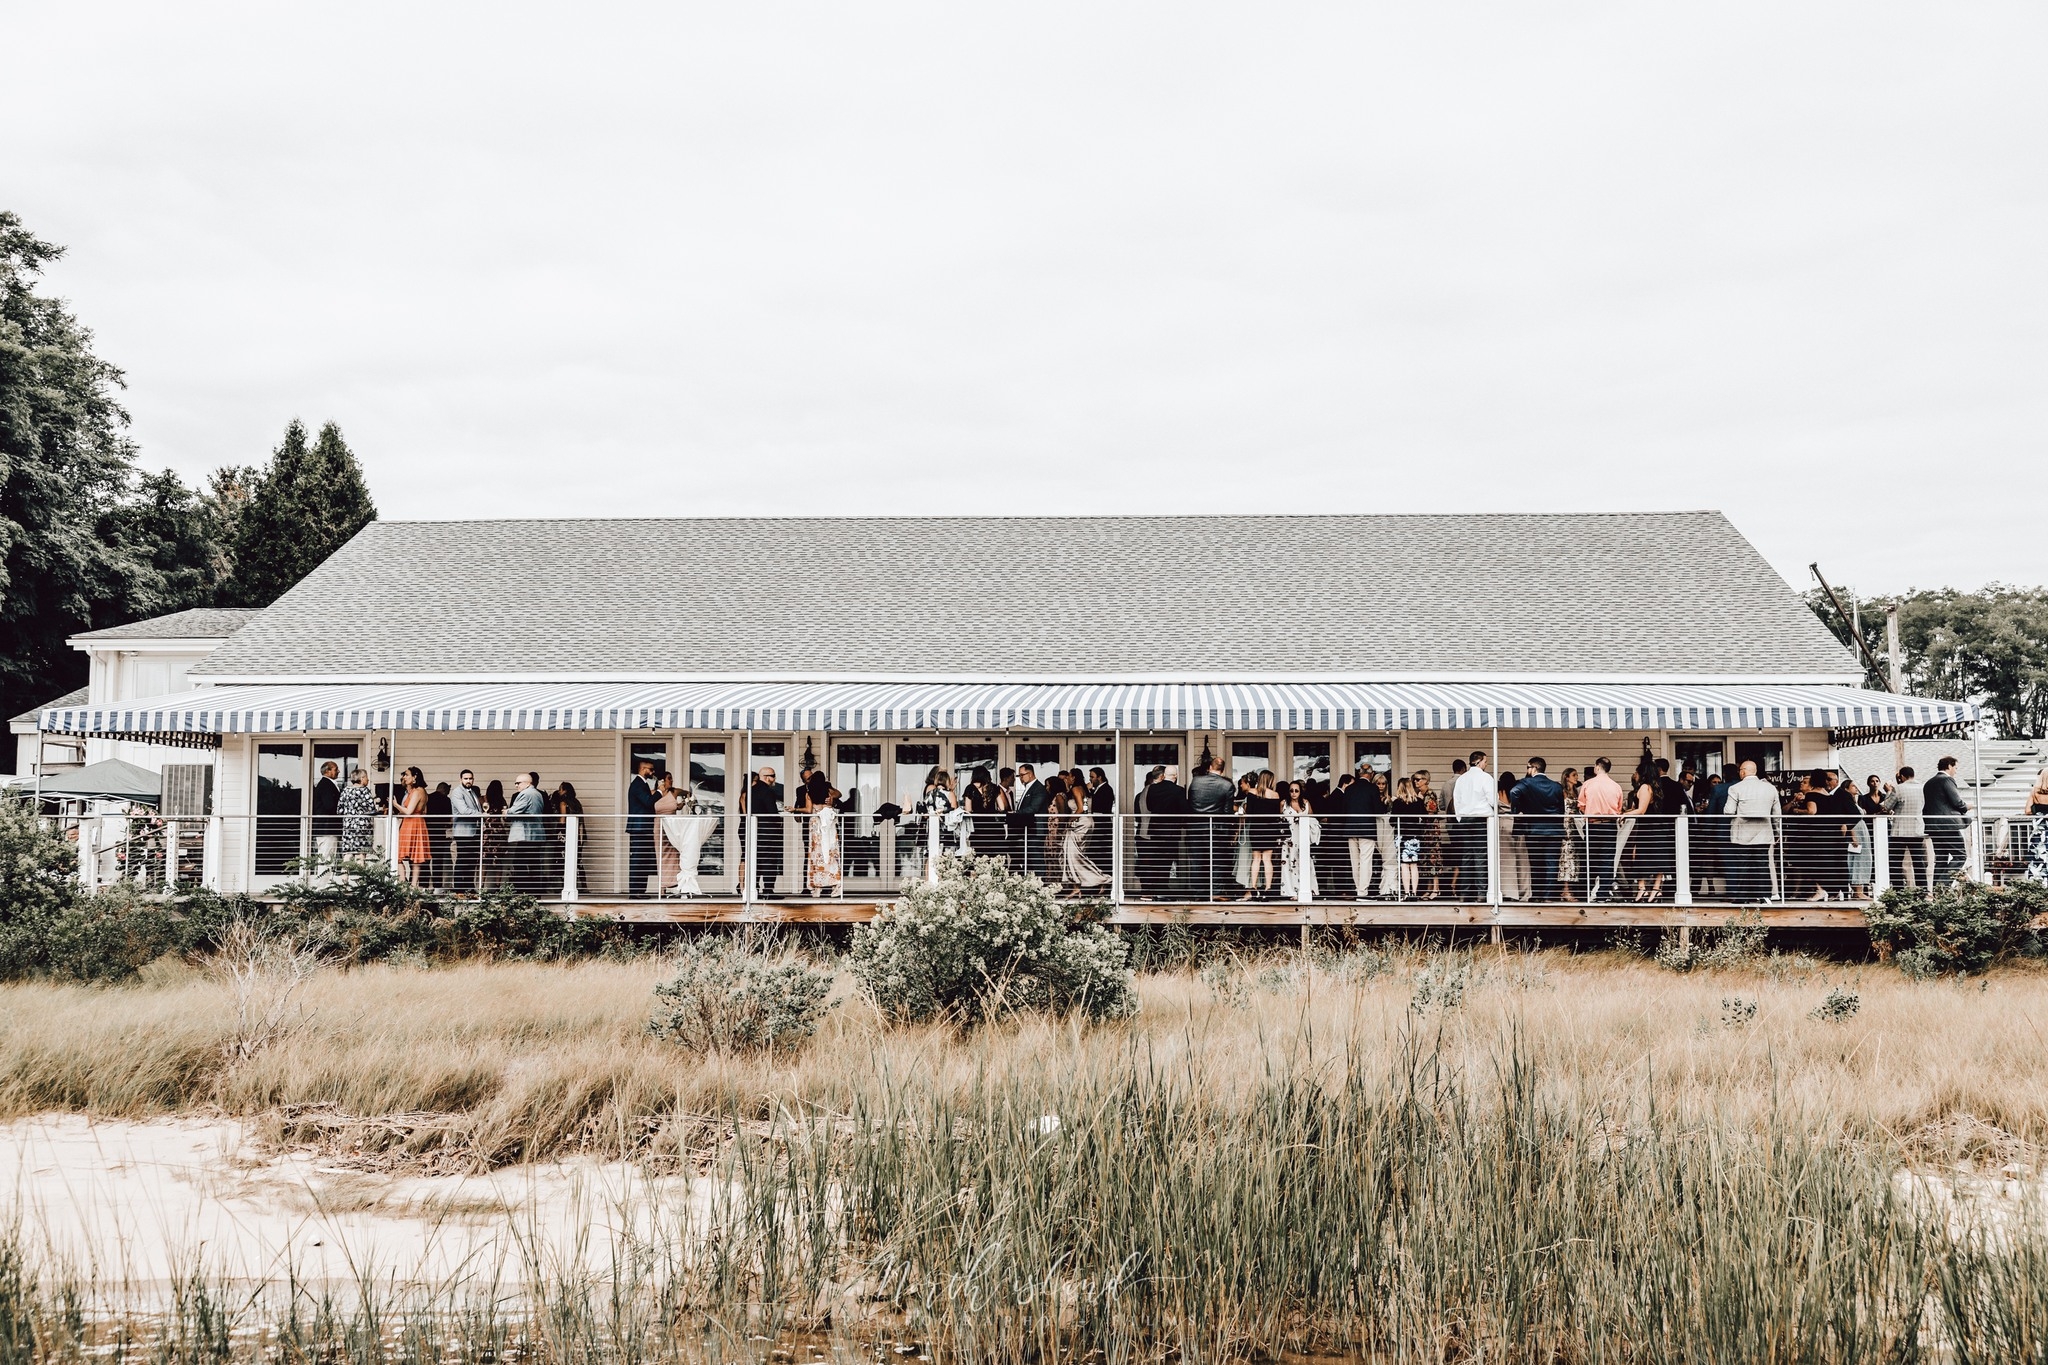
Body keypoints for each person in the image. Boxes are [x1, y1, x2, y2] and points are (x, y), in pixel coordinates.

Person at [1723, 760, 1780, 902]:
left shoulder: (1736, 788)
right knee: (1762, 865)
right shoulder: (1770, 788)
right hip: (1764, 833)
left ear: (1742, 771)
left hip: (1742, 833)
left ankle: (1743, 897)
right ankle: (1764, 895)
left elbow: (1728, 811)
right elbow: (1777, 814)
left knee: (1743, 865)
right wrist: (1777, 832)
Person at [1510, 758, 1566, 901]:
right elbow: (1561, 809)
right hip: (1554, 831)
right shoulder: (1557, 787)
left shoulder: (1526, 783)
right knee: (1551, 864)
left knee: (1535, 863)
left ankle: (1536, 895)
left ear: (1534, 768)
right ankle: (1548, 896)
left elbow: (1514, 792)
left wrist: (1518, 810)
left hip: (1534, 829)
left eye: (1528, 767)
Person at [1188, 755, 1235, 901]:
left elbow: (1191, 804)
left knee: (1197, 861)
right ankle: (1216, 891)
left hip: (1195, 827)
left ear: (1209, 767)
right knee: (1216, 861)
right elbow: (1227, 812)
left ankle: (1198, 893)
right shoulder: (1227, 786)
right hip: (1216, 828)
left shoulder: (1195, 782)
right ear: (1222, 770)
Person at [1578, 758, 1626, 902]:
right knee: (1607, 861)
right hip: (1610, 826)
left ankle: (1585, 893)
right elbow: (1618, 808)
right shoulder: (1616, 786)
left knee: (1589, 859)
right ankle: (1602, 894)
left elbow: (1581, 805)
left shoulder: (1588, 784)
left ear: (1597, 767)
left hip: (1593, 824)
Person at [1451, 752, 1496, 899]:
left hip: (1465, 819)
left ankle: (1464, 892)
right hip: (1480, 819)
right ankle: (1481, 893)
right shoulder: (1486, 778)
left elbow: (1456, 800)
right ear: (1479, 761)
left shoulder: (1462, 779)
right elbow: (1492, 800)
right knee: (1480, 856)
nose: (1486, 764)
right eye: (1485, 761)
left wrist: (1459, 818)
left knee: (1466, 856)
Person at [1343, 761, 1389, 900]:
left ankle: (1358, 889)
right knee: (1365, 862)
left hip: (1351, 829)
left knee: (1355, 862)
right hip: (1367, 829)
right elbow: (1378, 810)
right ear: (1371, 774)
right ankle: (1362, 892)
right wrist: (1385, 805)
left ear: (1359, 774)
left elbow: (1344, 808)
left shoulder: (1350, 789)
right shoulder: (1372, 789)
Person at [1057, 778, 1109, 896]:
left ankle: (1102, 878)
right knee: (1075, 856)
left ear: (1074, 777)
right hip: (1086, 822)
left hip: (1079, 824)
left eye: (1069, 776)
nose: (1067, 778)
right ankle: (1077, 886)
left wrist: (1069, 821)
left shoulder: (1076, 789)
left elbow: (1080, 809)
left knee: (1075, 855)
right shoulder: (1084, 789)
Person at [1923, 755, 1972, 882]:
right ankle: (1943, 885)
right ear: (1949, 766)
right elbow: (1957, 802)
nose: (1956, 771)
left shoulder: (1928, 783)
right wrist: (1967, 806)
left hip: (1933, 826)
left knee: (1941, 859)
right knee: (1961, 856)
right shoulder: (1947, 780)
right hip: (1948, 825)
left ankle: (1937, 893)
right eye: (1955, 767)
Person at [1240, 770, 1283, 901]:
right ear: (1270, 780)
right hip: (1270, 829)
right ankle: (1268, 889)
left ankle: (1253, 888)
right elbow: (1277, 816)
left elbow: (1250, 813)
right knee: (1267, 860)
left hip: (1256, 828)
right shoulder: (1275, 795)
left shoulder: (1252, 793)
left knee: (1256, 859)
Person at [799, 770, 842, 896]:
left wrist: (795, 809)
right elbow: (839, 794)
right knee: (831, 854)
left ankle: (817, 887)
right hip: (828, 826)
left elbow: (808, 810)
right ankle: (836, 884)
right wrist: (832, 799)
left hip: (816, 826)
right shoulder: (828, 791)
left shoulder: (809, 793)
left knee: (816, 856)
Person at [1883, 766, 1927, 889]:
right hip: (1917, 829)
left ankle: (1898, 889)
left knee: (1895, 862)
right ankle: (1922, 889)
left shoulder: (1898, 789)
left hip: (1900, 831)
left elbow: (1886, 807)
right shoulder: (1922, 788)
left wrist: (1888, 791)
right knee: (1918, 861)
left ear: (1901, 777)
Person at [505, 771, 548, 896]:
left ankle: (524, 892)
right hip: (535, 834)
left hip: (527, 834)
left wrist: (506, 812)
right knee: (533, 863)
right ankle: (534, 892)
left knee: (520, 863)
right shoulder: (538, 794)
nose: (516, 786)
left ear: (527, 783)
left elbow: (514, 811)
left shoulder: (526, 794)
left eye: (518, 783)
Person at [748, 767, 786, 897]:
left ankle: (755, 889)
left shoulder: (751, 790)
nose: (775, 779)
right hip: (768, 831)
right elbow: (772, 813)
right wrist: (779, 821)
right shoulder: (768, 792)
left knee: (756, 860)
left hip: (754, 830)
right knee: (769, 861)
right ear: (766, 777)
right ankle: (768, 890)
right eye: (773, 776)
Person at [627, 757, 661, 899]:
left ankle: (640, 890)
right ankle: (635, 892)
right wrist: (659, 792)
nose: (652, 772)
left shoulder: (643, 784)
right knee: (638, 860)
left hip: (644, 826)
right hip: (639, 827)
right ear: (642, 769)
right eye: (650, 769)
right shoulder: (638, 784)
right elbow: (647, 802)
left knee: (643, 859)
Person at [1280, 781, 1319, 899]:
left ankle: (1307, 889)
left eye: (1296, 790)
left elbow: (1312, 819)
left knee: (1305, 862)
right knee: (1289, 864)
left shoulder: (1306, 803)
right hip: (1289, 838)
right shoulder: (1284, 803)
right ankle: (1292, 891)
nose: (1294, 793)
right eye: (1291, 790)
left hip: (1303, 838)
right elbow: (1280, 820)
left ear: (1300, 791)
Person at [1390, 776, 1426, 899]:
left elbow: (1392, 821)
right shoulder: (1419, 802)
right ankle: (1414, 892)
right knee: (1414, 865)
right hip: (1415, 836)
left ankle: (1406, 892)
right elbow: (1425, 818)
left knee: (1404, 865)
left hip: (1402, 836)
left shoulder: (1397, 803)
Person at [394, 766, 431, 885]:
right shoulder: (423, 791)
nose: (404, 777)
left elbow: (409, 811)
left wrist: (395, 804)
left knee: (398, 855)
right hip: (418, 822)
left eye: (407, 774)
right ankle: (413, 884)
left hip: (411, 823)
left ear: (414, 777)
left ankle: (403, 881)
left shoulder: (417, 791)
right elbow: (424, 811)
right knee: (415, 856)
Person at [1011, 764, 1049, 877]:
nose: (1021, 778)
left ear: (1030, 774)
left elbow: (1033, 808)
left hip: (1036, 829)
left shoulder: (1038, 788)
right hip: (1029, 829)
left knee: (1036, 857)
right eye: (1019, 776)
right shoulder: (1030, 787)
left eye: (1022, 775)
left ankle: (1040, 884)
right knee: (1030, 858)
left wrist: (1015, 813)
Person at [449, 769, 483, 893]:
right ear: (461, 780)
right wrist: (481, 815)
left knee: (472, 860)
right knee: (462, 859)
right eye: (466, 778)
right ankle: (458, 889)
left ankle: (470, 887)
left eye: (470, 778)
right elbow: (463, 810)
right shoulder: (457, 792)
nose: (468, 781)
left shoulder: (472, 792)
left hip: (473, 832)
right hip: (463, 832)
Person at [552, 780, 585, 895]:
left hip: (564, 834)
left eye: (560, 789)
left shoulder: (563, 803)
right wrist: (581, 838)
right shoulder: (576, 802)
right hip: (577, 834)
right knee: (577, 860)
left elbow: (562, 820)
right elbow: (580, 821)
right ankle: (582, 885)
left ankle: (562, 885)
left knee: (562, 859)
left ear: (565, 791)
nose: (559, 791)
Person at [1842, 777, 1874, 897]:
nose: (1856, 788)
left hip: (1862, 831)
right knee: (1858, 859)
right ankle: (1858, 891)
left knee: (1865, 858)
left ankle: (1860, 889)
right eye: (1853, 786)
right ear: (1846, 789)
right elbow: (1848, 819)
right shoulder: (1846, 802)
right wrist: (1853, 836)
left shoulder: (1855, 801)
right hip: (1857, 831)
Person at [338, 767, 378, 858]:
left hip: (348, 826)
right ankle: (359, 872)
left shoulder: (345, 791)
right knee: (361, 853)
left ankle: (345, 872)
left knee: (348, 853)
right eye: (366, 777)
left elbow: (339, 810)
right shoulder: (365, 791)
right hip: (362, 826)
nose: (368, 779)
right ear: (362, 778)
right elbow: (372, 809)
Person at [653, 773, 683, 888]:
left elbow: (688, 793)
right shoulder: (653, 793)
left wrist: (681, 804)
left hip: (672, 827)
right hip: (658, 826)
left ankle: (675, 883)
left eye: (672, 778)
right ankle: (662, 887)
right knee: (660, 855)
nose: (672, 781)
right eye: (669, 778)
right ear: (662, 780)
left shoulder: (674, 792)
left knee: (674, 855)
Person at [1085, 767, 1115, 873]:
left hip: (1102, 826)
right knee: (1095, 853)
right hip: (1097, 825)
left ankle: (1105, 881)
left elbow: (1101, 807)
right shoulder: (1096, 789)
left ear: (1100, 777)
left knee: (1102, 854)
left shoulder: (1107, 789)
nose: (1090, 779)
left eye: (1092, 777)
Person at [480, 779, 508, 889]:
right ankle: (497, 886)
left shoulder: (483, 799)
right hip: (498, 832)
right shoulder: (502, 801)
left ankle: (481, 885)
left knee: (484, 860)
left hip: (487, 831)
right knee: (498, 860)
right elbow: (505, 817)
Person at [311, 761, 342, 863]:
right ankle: (324, 879)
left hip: (326, 828)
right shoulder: (326, 785)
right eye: (336, 769)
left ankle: (326, 879)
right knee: (327, 859)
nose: (338, 771)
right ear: (327, 771)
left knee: (327, 858)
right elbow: (329, 805)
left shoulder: (325, 784)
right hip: (327, 828)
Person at [2022, 769, 2048, 885]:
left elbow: (2027, 810)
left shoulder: (2034, 791)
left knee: (2037, 858)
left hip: (2038, 829)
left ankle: (2036, 886)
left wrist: (2038, 812)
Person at [425, 781, 453, 888]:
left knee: (426, 860)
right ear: (445, 790)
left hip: (427, 831)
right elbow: (449, 818)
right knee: (438, 860)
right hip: (439, 832)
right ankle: (437, 886)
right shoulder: (446, 800)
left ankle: (426, 885)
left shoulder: (428, 797)